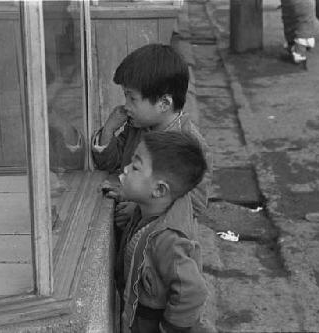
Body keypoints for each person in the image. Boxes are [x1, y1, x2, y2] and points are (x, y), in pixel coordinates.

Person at [92, 43, 212, 233]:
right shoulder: (137, 127)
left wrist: (141, 209)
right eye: (126, 97)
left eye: (132, 98)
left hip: (161, 242)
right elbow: (110, 163)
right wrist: (108, 130)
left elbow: (195, 203)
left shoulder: (189, 144)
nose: (126, 106)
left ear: (164, 103)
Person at [115, 131, 212, 333]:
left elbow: (193, 292)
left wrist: (169, 328)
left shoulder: (167, 240)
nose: (125, 169)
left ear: (159, 190)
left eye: (135, 167)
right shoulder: (153, 208)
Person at [280, 0, 316, 66]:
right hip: (304, 4)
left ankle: (291, 46)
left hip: (286, 3)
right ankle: (299, 53)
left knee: (289, 22)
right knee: (304, 25)